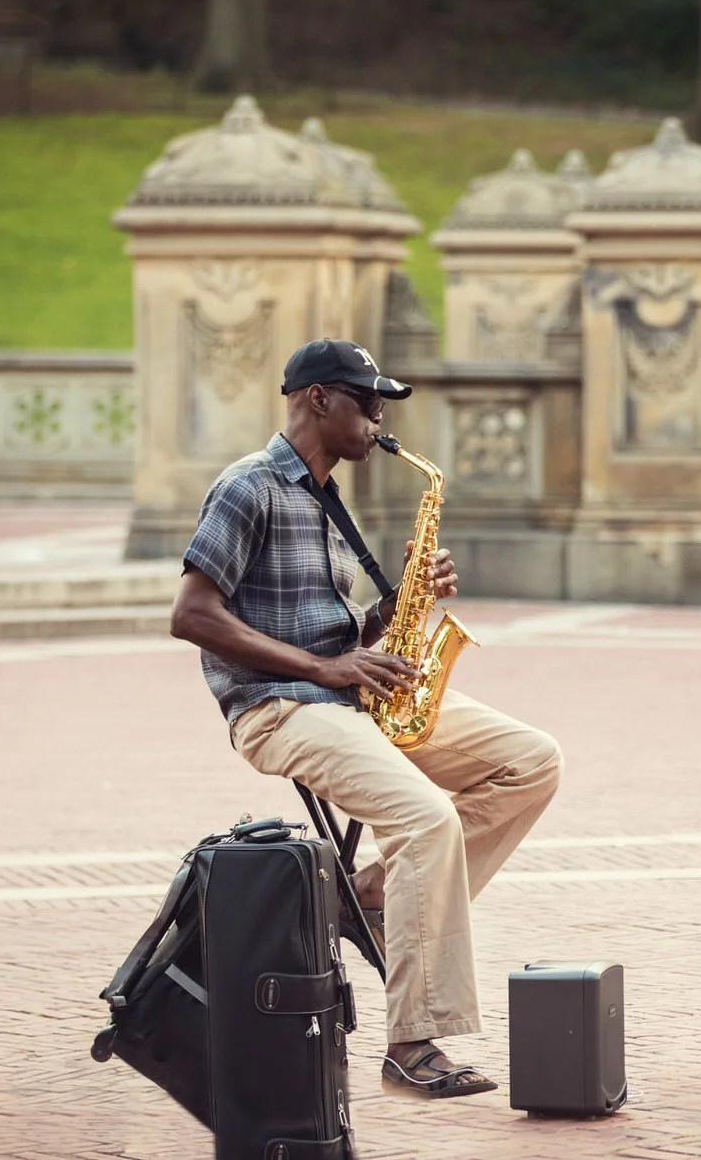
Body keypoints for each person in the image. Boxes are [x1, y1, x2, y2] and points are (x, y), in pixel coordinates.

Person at [169, 338, 563, 1099]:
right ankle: (412, 1042)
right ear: (318, 399)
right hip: (279, 706)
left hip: (352, 695)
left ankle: (376, 895)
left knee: (534, 760)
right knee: (426, 819)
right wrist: (325, 668)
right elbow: (191, 614)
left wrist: (399, 602)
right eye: (367, 400)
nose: (380, 418)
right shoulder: (247, 487)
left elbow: (341, 632)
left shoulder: (327, 495)